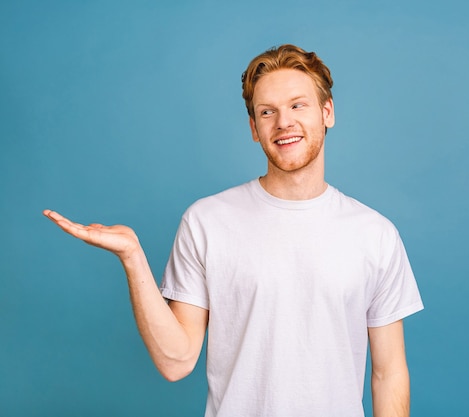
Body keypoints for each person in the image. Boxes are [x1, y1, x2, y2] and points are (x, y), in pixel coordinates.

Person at [43, 44, 423, 417]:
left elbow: (389, 374)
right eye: (267, 111)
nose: (283, 122)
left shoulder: (374, 234)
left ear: (327, 112)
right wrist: (132, 257)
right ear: (254, 128)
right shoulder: (207, 221)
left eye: (297, 105)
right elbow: (176, 361)